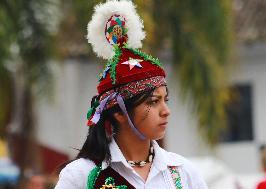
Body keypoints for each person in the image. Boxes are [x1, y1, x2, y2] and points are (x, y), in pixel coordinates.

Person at [55, 0, 208, 188]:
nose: (165, 111)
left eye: (165, 100)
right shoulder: (82, 175)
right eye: (153, 101)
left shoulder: (182, 172)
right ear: (119, 111)